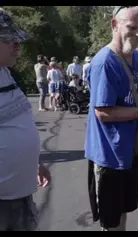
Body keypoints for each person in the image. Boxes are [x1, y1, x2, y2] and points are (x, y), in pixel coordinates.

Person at [84, 6, 138, 231]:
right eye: (132, 28)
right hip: (108, 155)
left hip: (131, 151)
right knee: (110, 222)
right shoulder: (104, 63)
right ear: (114, 25)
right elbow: (103, 112)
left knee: (123, 214)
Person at [0, 7, 51, 231]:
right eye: (9, 39)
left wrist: (36, 163)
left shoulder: (9, 74)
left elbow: (17, 125)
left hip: (22, 197)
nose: (17, 45)